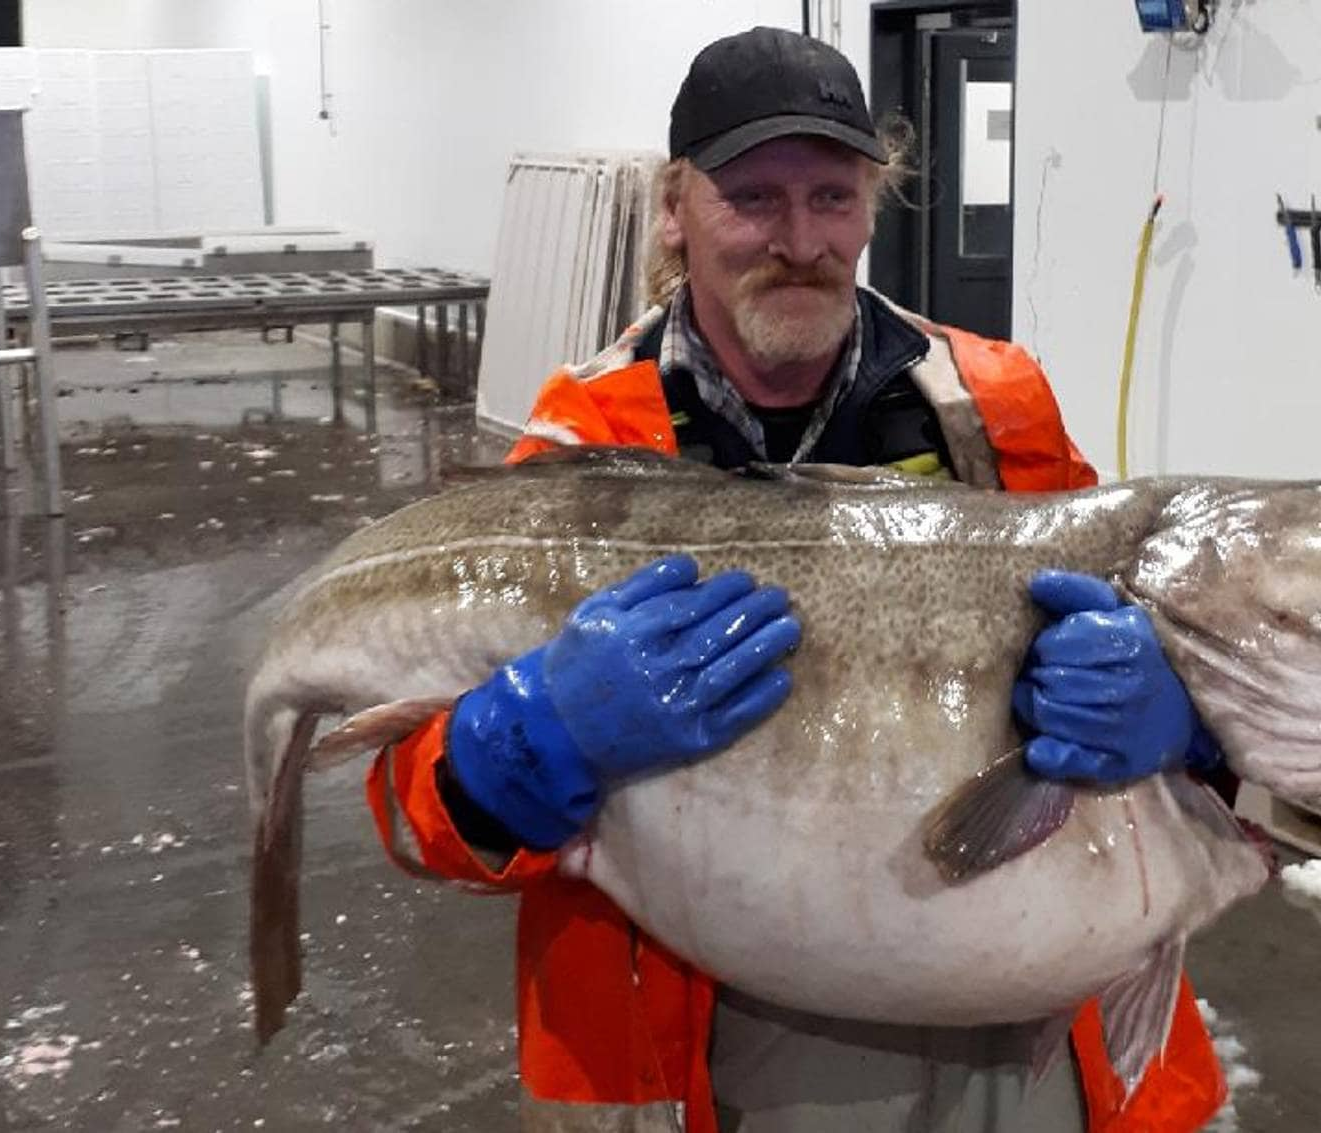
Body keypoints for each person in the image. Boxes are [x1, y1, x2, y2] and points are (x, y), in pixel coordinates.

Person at [367, 25, 1228, 1133]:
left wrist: (1181, 706)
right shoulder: (583, 446)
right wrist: (516, 749)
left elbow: (1154, 655)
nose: (800, 238)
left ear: (874, 205)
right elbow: (406, 803)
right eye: (753, 196)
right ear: (674, 210)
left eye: (832, 196)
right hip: (728, 1025)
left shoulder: (993, 405)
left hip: (1014, 1012)